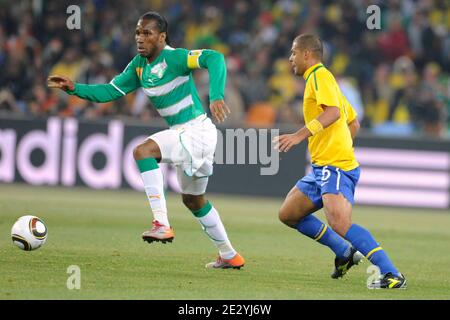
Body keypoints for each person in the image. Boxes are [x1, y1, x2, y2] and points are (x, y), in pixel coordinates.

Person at [47, 11, 245, 270]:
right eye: (138, 33)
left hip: (196, 131)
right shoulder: (138, 66)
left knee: (143, 151)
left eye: (147, 33)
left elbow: (215, 57)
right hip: (189, 135)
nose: (140, 38)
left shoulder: (174, 57)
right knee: (193, 201)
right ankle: (229, 254)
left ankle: (161, 224)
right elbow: (110, 91)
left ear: (161, 37)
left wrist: (216, 95)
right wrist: (75, 88)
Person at [274, 34, 406, 289]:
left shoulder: (319, 76)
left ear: (306, 54)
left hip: (333, 166)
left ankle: (392, 274)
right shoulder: (328, 82)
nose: (290, 59)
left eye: (293, 53)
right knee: (289, 214)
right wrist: (339, 146)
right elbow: (352, 122)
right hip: (323, 166)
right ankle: (344, 253)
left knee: (340, 223)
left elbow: (334, 113)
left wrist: (300, 136)